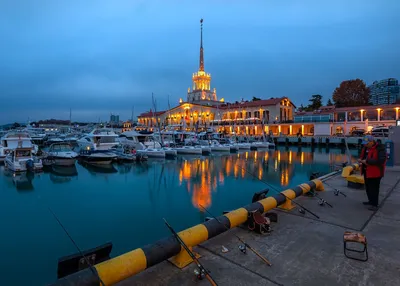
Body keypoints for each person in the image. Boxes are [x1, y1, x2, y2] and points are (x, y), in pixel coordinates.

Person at [358, 135, 386, 211]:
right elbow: (363, 156)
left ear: (372, 141)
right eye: (364, 143)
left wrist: (366, 161)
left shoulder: (380, 148)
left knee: (374, 189)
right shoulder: (366, 148)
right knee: (368, 188)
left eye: (367, 143)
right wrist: (361, 160)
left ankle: (374, 204)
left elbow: (380, 161)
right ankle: (370, 201)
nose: (365, 145)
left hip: (375, 172)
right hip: (366, 171)